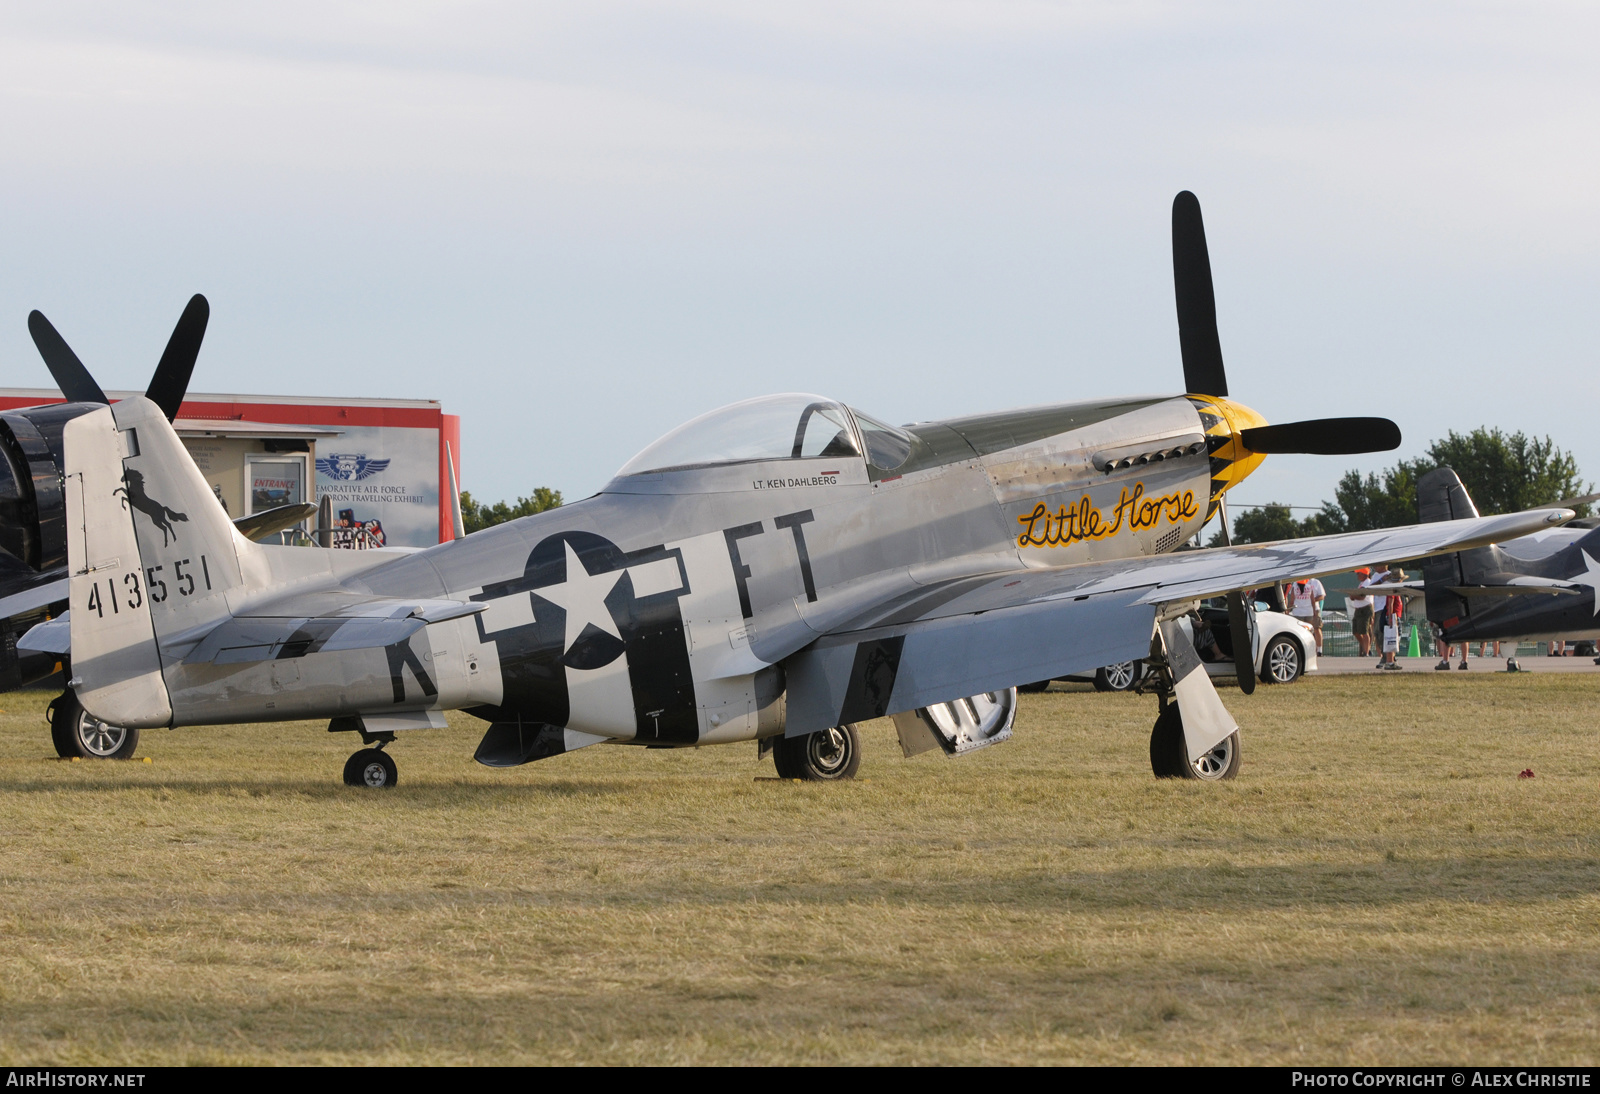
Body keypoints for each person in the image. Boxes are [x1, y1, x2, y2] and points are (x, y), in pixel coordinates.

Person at [1286, 576, 1326, 656]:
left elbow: (1322, 596)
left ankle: (1318, 649)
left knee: (1315, 629)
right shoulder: (1297, 583)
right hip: (1309, 611)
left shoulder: (1315, 582)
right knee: (1311, 631)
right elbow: (1311, 601)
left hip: (1304, 611)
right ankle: (1310, 650)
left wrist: (1288, 610)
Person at [1347, 568, 1375, 657]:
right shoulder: (1361, 583)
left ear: (1364, 574)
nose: (1357, 575)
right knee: (1355, 631)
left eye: (1359, 573)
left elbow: (1362, 596)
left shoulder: (1367, 582)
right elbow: (1356, 596)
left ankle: (1366, 651)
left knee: (1364, 631)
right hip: (1358, 609)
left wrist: (1353, 595)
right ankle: (1366, 647)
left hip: (1365, 609)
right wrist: (1353, 596)